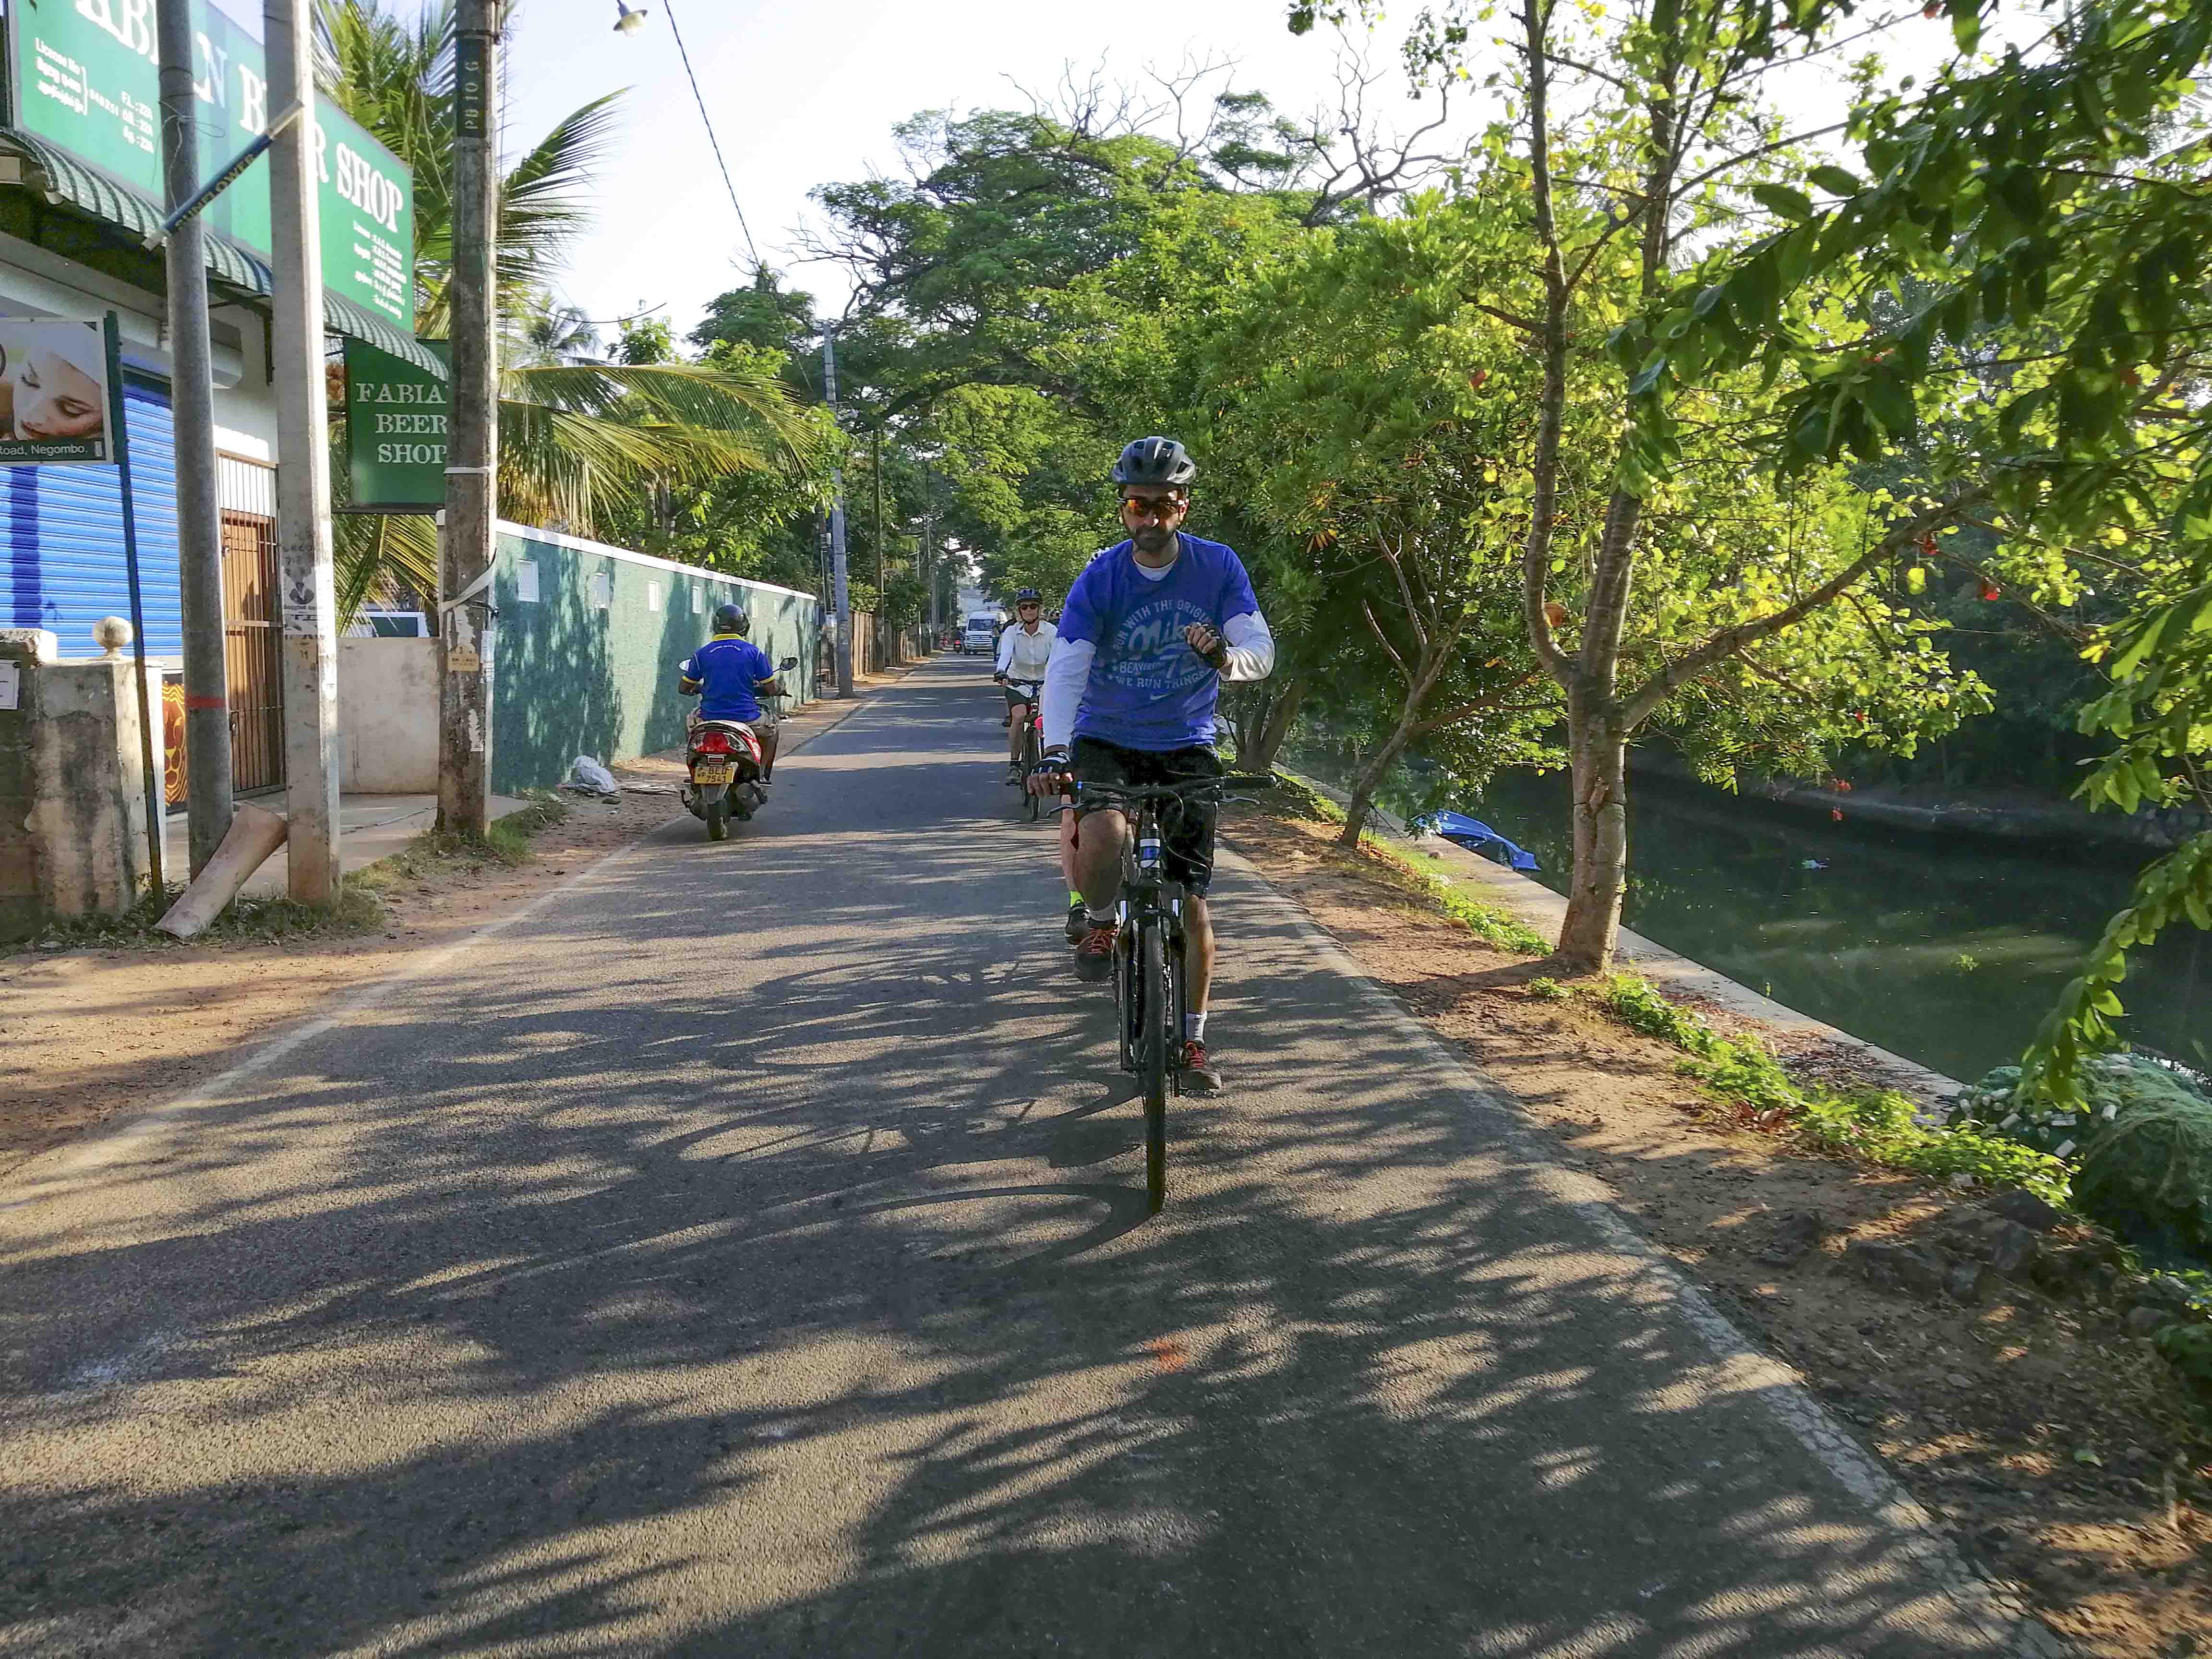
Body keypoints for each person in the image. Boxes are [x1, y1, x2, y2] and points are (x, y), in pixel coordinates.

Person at [1028, 436, 1274, 1095]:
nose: (1152, 517)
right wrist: (1055, 749)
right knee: (1105, 831)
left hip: (1186, 742)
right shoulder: (1101, 577)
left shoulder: (1217, 567)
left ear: (1183, 507)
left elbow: (1258, 649)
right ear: (1123, 508)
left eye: (1165, 504)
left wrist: (1224, 659)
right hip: (1107, 737)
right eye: (1139, 504)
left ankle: (1193, 1042)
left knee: (1192, 903)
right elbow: (1068, 666)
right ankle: (1101, 920)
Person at [677, 603, 784, 787]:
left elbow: (684, 688)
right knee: (773, 727)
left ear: (716, 626)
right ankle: (762, 774)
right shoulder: (754, 653)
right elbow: (771, 688)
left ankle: (694, 769)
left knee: (690, 724)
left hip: (708, 717)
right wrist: (778, 689)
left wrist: (699, 688)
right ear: (744, 627)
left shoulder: (701, 654)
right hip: (748, 717)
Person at [993, 589, 1056, 785]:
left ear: (1040, 609)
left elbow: (1058, 658)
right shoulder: (1012, 632)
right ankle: (1014, 764)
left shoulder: (1051, 632)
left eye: (1033, 606)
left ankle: (1053, 762)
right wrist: (1001, 672)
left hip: (1045, 683)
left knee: (1048, 722)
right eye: (1024, 607)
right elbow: (1005, 654)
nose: (1029, 610)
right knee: (1019, 717)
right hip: (1018, 682)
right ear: (1019, 611)